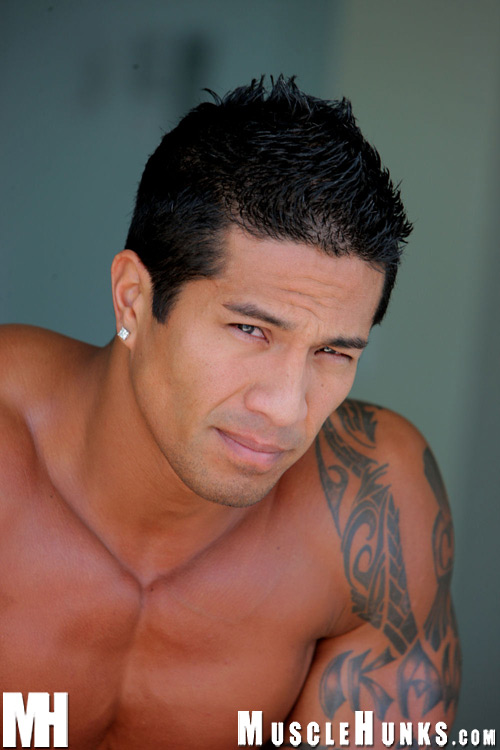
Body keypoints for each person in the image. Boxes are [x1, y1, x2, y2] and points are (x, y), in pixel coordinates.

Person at [0, 77, 460, 749]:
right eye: (250, 330)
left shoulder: (370, 508)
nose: (286, 407)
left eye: (333, 351)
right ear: (133, 299)